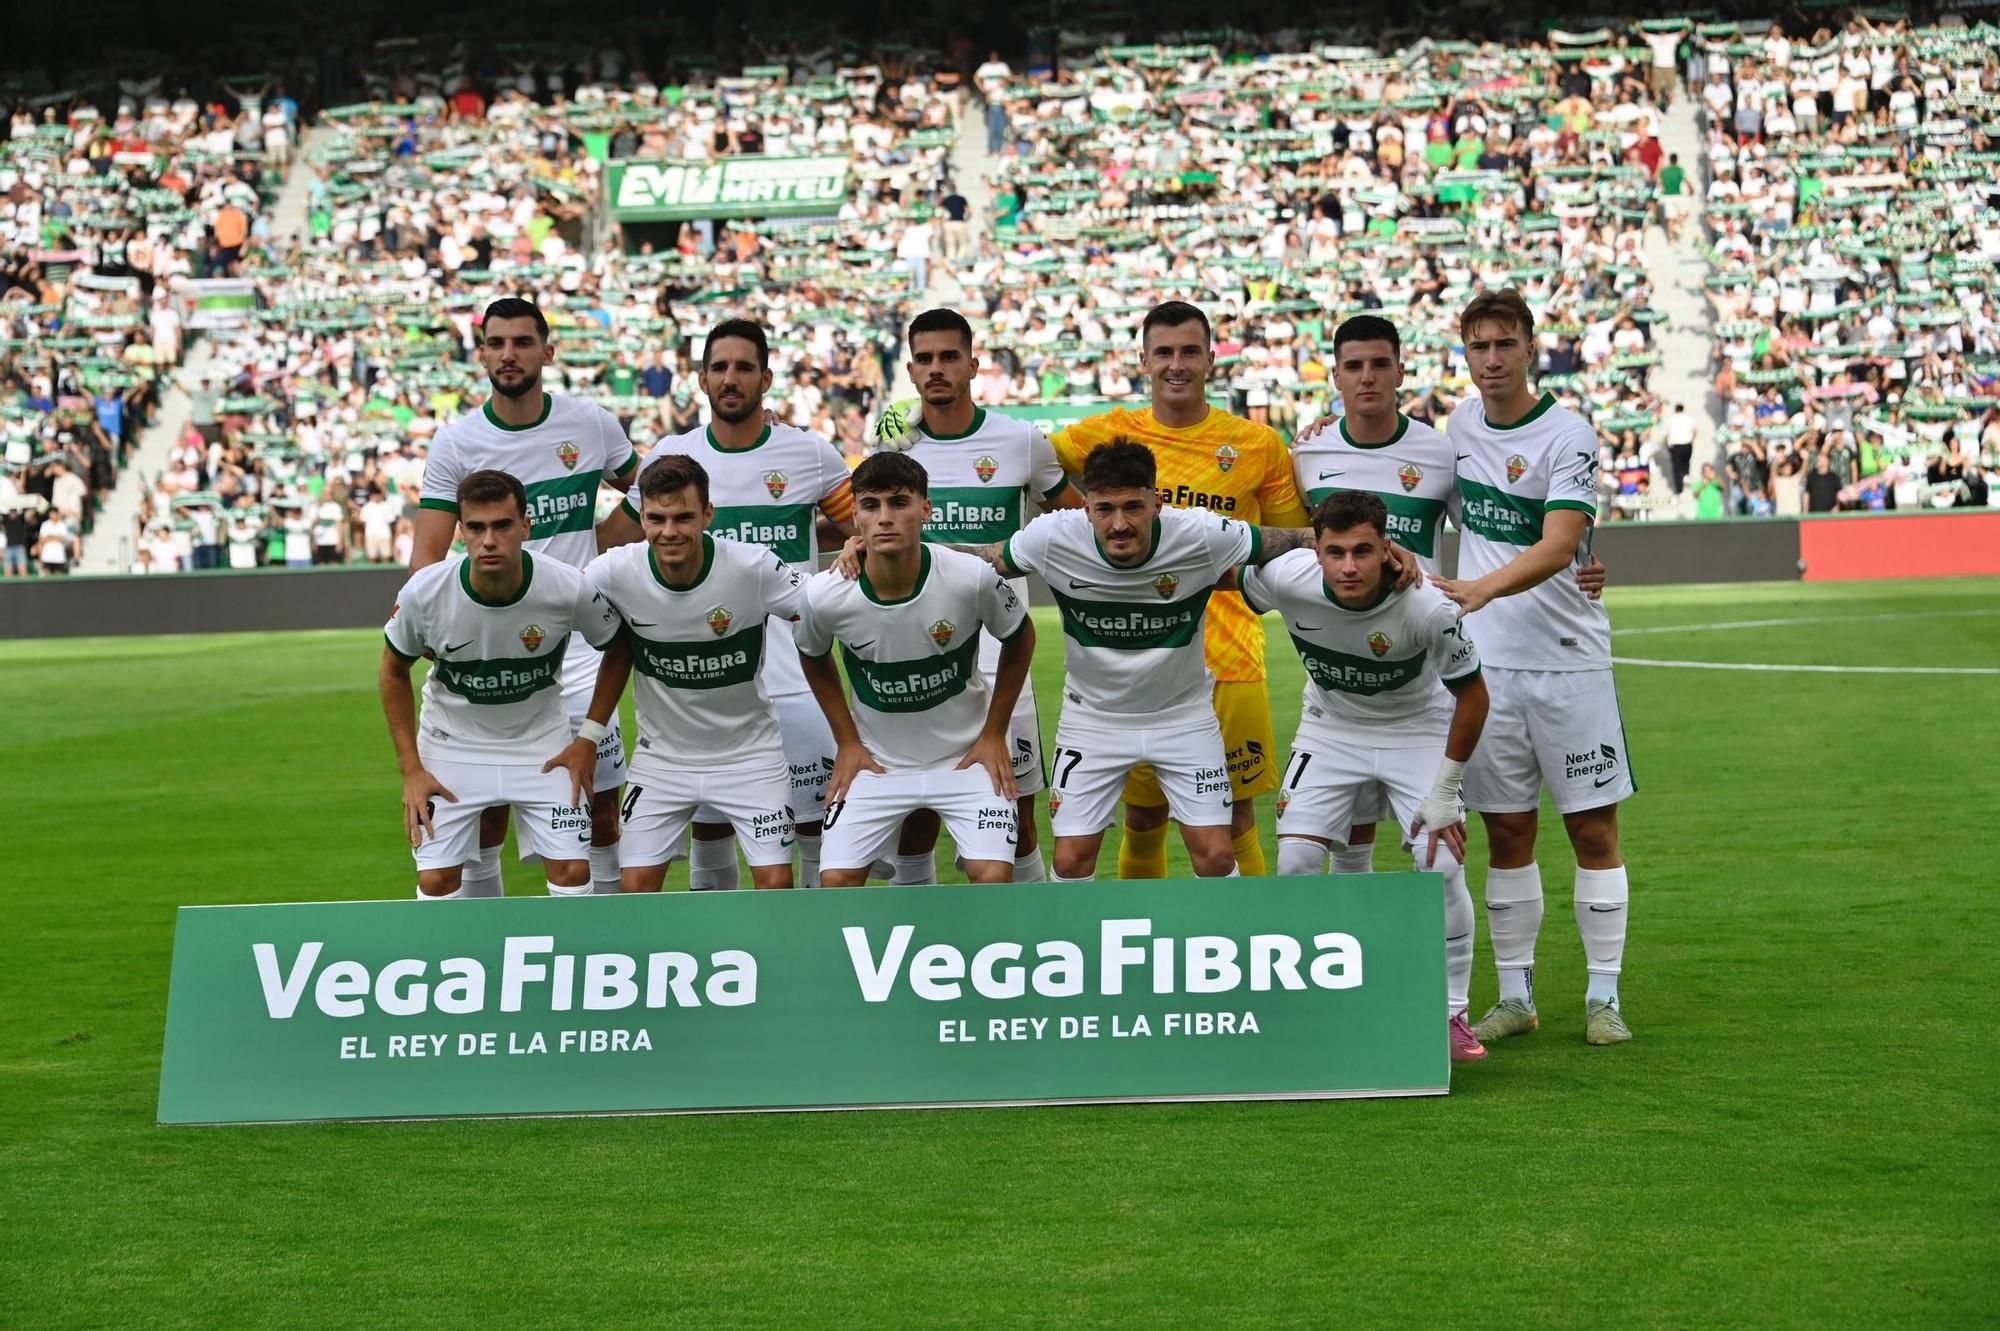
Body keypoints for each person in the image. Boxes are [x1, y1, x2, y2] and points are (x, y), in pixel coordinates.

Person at [888, 301, 1310, 878]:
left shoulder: (1251, 453)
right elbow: (1014, 496)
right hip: (1101, 709)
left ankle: (1248, 954)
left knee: (1230, 833)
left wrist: (1352, 535)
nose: (1177, 364)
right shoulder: (1083, 468)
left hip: (1225, 663)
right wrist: (892, 530)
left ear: (1213, 359)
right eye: (1164, 352)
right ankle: (1121, 955)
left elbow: (1280, 541)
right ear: (1143, 360)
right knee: (1134, 824)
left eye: (1190, 351)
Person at [960, 440, 1315, 880]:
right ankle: (1076, 948)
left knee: (1216, 856)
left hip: (1183, 717)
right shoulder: (1051, 537)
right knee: (1070, 860)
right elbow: (981, 561)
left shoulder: (1203, 534)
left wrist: (1377, 549)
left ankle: (1220, 944)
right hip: (1093, 720)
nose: (1120, 524)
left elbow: (1297, 540)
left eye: (1133, 507)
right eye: (1105, 509)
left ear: (1157, 503)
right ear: (1086, 508)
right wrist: (878, 553)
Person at [1431, 289, 1636, 1047]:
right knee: (1507, 831)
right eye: (1478, 346)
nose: (1491, 359)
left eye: (1504, 344)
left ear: (1530, 347)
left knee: (1592, 830)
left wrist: (1482, 587)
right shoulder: (1458, 424)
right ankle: (1515, 995)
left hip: (1568, 663)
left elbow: (1558, 543)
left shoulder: (1568, 432)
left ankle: (1603, 997)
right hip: (1494, 668)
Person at [603, 319, 856, 889]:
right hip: (710, 688)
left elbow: (859, 532)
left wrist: (832, 557)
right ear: (701, 380)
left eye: (744, 367)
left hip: (796, 677)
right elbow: (615, 543)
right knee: (710, 829)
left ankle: (807, 958)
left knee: (815, 827)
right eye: (719, 367)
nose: (730, 378)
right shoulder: (673, 455)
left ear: (766, 378)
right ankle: (721, 963)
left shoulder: (808, 452)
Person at [1244, 491, 1490, 1062]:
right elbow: (1219, 565)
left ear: (1386, 550)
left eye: (1363, 551)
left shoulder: (1428, 606)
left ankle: (1451, 1012)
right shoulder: (1287, 577)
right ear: (1317, 548)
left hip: (1416, 730)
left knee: (1442, 864)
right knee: (1296, 863)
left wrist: (1447, 792)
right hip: (1330, 729)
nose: (1349, 566)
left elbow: (1475, 699)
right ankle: (1305, 1004)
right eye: (1334, 551)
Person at [413, 297, 642, 898]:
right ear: (482, 352)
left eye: (522, 341)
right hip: (498, 646)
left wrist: (603, 552)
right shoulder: (457, 442)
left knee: (598, 812)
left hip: (582, 651)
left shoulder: (590, 422)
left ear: (547, 350)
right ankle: (490, 961)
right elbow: (427, 557)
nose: (509, 354)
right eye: (497, 343)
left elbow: (652, 492)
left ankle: (602, 957)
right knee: (486, 808)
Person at [870, 307, 1082, 885]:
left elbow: (1076, 521)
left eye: (949, 357)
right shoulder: (893, 452)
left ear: (973, 363)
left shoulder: (1020, 442)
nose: (937, 369)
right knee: (913, 815)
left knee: (1017, 812)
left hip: (996, 655)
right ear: (911, 372)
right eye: (925, 359)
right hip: (911, 657)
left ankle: (1035, 946)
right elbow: (863, 530)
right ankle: (914, 952)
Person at [378, 469, 623, 899]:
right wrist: (412, 770)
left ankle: (575, 962)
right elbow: (392, 672)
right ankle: (470, 965)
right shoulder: (425, 591)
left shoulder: (566, 585)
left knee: (571, 872)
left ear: (525, 526)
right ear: (461, 531)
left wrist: (587, 737)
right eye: (476, 527)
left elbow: (619, 648)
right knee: (435, 881)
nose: (489, 539)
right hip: (452, 745)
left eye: (502, 525)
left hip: (540, 744)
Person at [798, 452, 1036, 887]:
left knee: (994, 877)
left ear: (926, 509)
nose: (885, 517)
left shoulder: (971, 578)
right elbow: (812, 655)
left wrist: (994, 733)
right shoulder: (825, 594)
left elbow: (1020, 636)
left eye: (899, 503)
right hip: (879, 765)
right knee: (834, 884)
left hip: (965, 759)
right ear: (855, 516)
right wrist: (847, 741)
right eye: (871, 506)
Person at [568, 454, 802, 891]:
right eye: (656, 518)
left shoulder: (754, 568)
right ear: (642, 516)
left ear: (707, 514)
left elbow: (821, 610)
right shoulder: (615, 571)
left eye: (683, 517)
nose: (669, 531)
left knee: (775, 886)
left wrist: (854, 554)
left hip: (750, 756)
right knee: (634, 887)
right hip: (663, 760)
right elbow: (552, 596)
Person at [1665, 404, 1697, 492]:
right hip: (1687, 444)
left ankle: (1679, 490)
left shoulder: (1670, 419)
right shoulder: (1688, 418)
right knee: (1686, 461)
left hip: (1676, 445)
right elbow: (1695, 430)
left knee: (1677, 468)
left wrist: (1667, 445)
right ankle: (1686, 475)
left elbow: (1665, 435)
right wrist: (1692, 440)